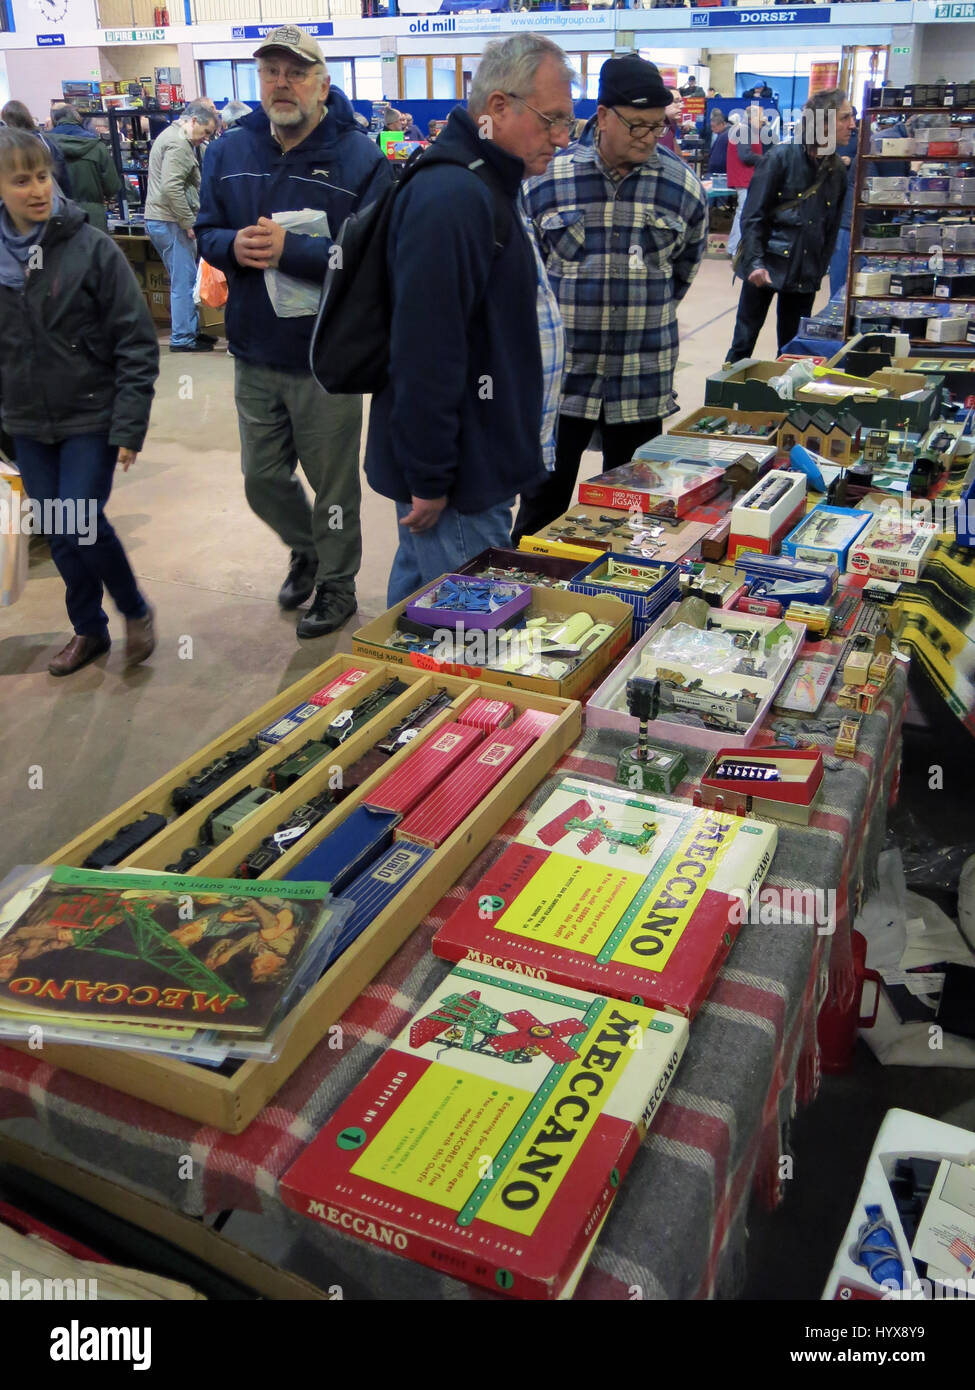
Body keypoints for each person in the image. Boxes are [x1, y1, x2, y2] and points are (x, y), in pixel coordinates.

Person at [196, 26, 392, 639]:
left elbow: (378, 258)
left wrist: (296, 252)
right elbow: (204, 232)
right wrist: (234, 246)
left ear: (322, 84)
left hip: (326, 358)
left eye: (296, 71)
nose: (282, 82)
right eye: (271, 71)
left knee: (333, 483)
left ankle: (337, 586)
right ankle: (307, 547)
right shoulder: (228, 154)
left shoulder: (361, 160)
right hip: (253, 350)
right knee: (262, 481)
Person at [365, 34, 575, 606]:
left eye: (567, 123)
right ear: (499, 108)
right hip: (460, 479)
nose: (561, 137)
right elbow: (424, 352)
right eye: (551, 119)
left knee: (418, 605)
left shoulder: (490, 182)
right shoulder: (454, 194)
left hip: (475, 463)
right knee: (476, 634)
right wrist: (429, 478)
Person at [513, 55, 707, 544]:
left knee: (637, 519)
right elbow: (526, 277)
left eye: (657, 126)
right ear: (602, 116)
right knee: (542, 505)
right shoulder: (547, 180)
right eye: (636, 124)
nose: (648, 136)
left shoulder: (681, 187)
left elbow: (682, 273)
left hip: (640, 382)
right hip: (564, 384)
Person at [0, 128, 159, 676]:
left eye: (42, 176)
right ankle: (88, 630)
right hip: (25, 420)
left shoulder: (91, 248)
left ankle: (134, 610)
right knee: (59, 529)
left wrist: (128, 426)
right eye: (21, 180)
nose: (37, 189)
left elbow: (136, 341)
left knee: (80, 519)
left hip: (90, 412)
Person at [727, 89, 852, 363]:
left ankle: (781, 403)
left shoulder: (837, 171)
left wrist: (818, 270)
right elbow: (753, 215)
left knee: (792, 350)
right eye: (845, 117)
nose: (852, 124)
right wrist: (756, 262)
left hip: (804, 273)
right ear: (824, 122)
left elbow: (831, 229)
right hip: (765, 265)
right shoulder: (780, 158)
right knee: (743, 342)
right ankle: (727, 398)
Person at [144, 100, 218, 352]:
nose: (205, 139)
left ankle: (190, 330)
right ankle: (183, 338)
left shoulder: (173, 136)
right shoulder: (178, 144)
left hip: (163, 219)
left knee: (182, 278)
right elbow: (172, 187)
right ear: (194, 121)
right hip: (170, 221)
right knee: (183, 281)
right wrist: (188, 222)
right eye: (206, 132)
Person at [47, 103, 121, 233]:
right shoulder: (96, 146)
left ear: (55, 120)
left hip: (57, 216)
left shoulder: (44, 145)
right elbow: (112, 186)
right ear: (78, 118)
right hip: (93, 217)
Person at [1, 100, 72, 197]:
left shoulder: (7, 147)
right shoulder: (45, 141)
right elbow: (62, 177)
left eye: (42, 177)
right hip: (53, 200)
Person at [707, 107, 729, 177]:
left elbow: (717, 159)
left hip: (719, 172)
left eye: (714, 126)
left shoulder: (724, 136)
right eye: (711, 127)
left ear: (722, 124)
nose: (712, 129)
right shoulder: (722, 134)